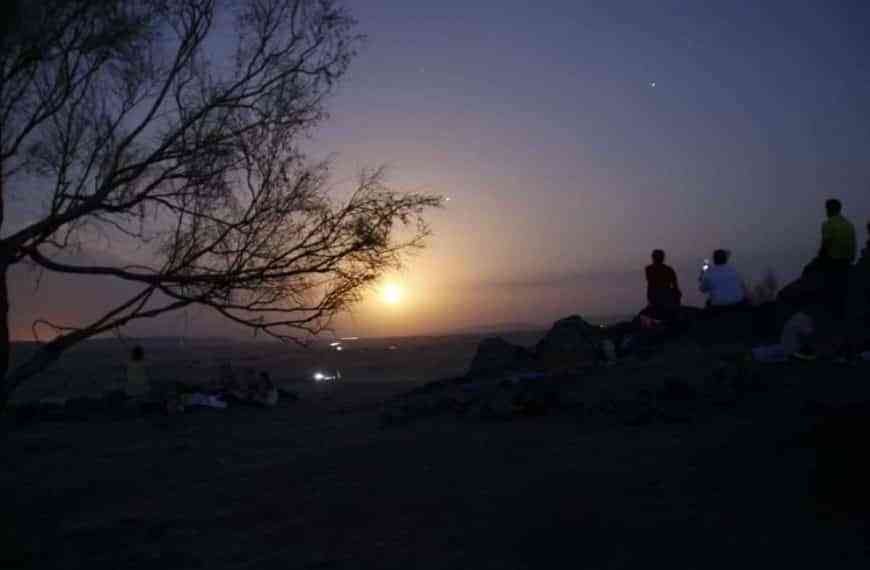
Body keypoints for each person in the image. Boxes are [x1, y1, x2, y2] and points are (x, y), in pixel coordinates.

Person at [815, 198, 857, 317]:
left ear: (829, 209)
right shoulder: (849, 224)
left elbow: (826, 245)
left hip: (833, 261)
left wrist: (819, 259)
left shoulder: (828, 224)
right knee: (842, 291)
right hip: (847, 261)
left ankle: (829, 313)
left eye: (827, 208)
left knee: (830, 289)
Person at [645, 249, 681, 320]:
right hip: (663, 296)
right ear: (663, 258)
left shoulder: (649, 269)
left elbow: (650, 285)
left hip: (656, 297)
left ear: (653, 258)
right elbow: (675, 287)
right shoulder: (668, 269)